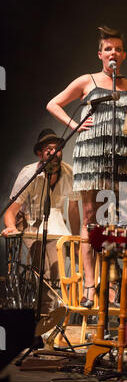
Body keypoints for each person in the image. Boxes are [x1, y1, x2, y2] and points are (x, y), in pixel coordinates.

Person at [46, 26, 127, 308]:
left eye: (118, 48)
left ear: (124, 55)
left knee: (115, 220)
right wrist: (75, 125)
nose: (113, 52)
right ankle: (90, 285)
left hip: (119, 157)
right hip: (90, 154)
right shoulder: (86, 81)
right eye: (108, 48)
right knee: (90, 218)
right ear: (100, 54)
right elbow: (54, 103)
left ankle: (109, 284)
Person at [2, 128, 81, 314]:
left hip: (56, 224)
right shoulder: (29, 174)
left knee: (56, 266)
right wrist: (11, 227)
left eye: (58, 148)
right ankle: (44, 312)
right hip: (31, 223)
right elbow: (10, 211)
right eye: (49, 149)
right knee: (43, 264)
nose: (54, 153)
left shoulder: (69, 173)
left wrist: (77, 239)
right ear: (40, 153)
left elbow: (73, 210)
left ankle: (51, 310)